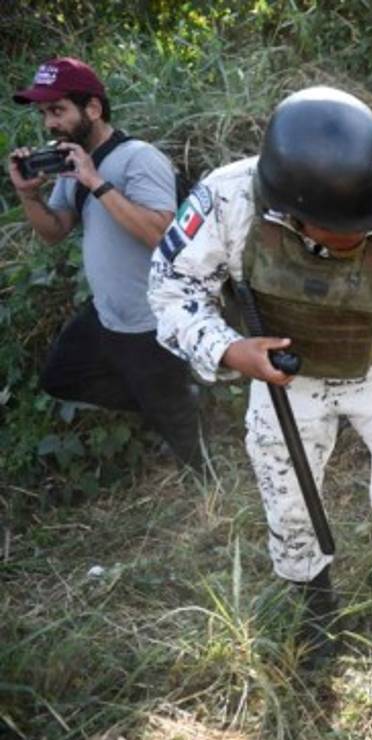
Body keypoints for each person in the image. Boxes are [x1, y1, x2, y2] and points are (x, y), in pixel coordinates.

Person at [148, 86, 372, 657]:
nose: (360, 237)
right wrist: (231, 349)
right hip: (284, 376)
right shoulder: (227, 201)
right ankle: (316, 608)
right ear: (295, 212)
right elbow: (170, 288)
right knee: (287, 499)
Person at [8, 57, 202, 468]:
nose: (49, 124)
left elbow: (161, 235)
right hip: (106, 313)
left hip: (151, 320)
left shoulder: (139, 158)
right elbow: (55, 230)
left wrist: (96, 181)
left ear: (93, 108)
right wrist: (28, 195)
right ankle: (172, 403)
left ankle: (198, 468)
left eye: (58, 110)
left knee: (189, 450)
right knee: (61, 377)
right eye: (44, 113)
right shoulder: (71, 163)